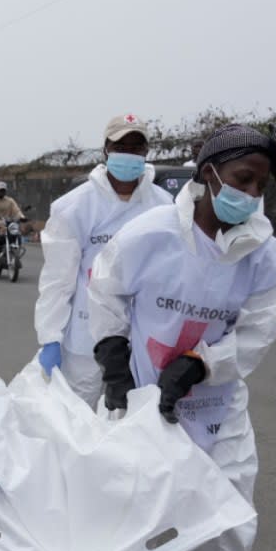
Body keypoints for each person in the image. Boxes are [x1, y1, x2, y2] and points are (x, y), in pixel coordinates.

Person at [87, 123, 276, 551]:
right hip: (141, 390)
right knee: (136, 498)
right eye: (241, 180)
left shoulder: (262, 254)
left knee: (228, 512)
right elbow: (106, 290)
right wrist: (112, 357)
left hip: (216, 402)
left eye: (260, 185)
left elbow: (258, 329)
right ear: (209, 174)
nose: (250, 195)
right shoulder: (149, 234)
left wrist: (204, 366)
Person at [33, 114, 173, 405]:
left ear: (146, 153)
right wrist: (50, 336)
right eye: (121, 146)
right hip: (85, 342)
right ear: (106, 150)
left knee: (131, 427)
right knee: (78, 426)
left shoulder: (164, 206)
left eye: (136, 148)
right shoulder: (75, 207)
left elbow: (169, 277)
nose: (129, 154)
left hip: (141, 342)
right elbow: (58, 280)